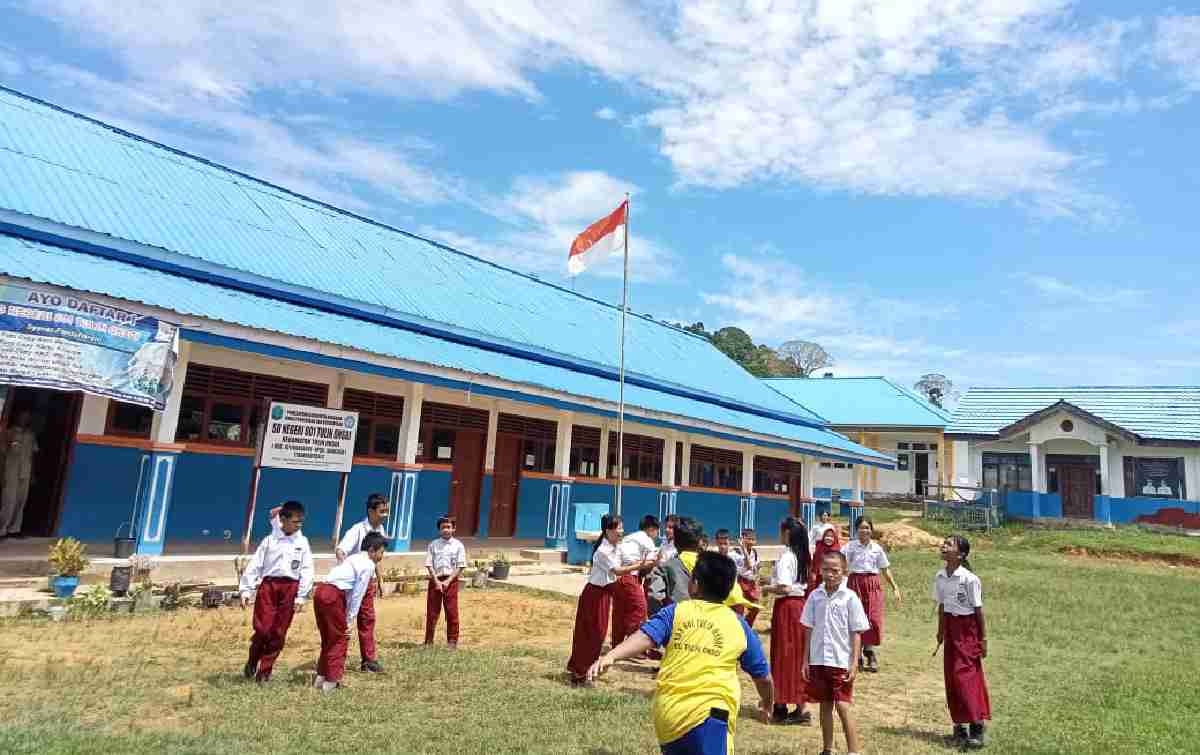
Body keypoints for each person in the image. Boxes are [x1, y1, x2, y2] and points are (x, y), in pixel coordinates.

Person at [588, 551, 775, 754]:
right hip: (712, 716)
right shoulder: (738, 625)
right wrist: (767, 704)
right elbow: (763, 676)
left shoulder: (676, 612)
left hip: (669, 717)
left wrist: (611, 656)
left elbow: (645, 637)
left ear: (694, 583)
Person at [802, 551, 870, 755]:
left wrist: (855, 662)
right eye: (826, 570)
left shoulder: (850, 598)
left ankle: (853, 751)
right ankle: (827, 748)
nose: (830, 574)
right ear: (820, 570)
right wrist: (805, 660)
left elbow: (857, 632)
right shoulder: (815, 596)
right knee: (824, 705)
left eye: (835, 570)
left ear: (844, 572)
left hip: (841, 661)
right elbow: (808, 628)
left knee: (842, 705)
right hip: (819, 659)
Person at [238, 500, 314, 682]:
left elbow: (307, 569)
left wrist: (301, 596)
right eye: (295, 521)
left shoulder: (302, 542)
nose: (298, 525)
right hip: (269, 587)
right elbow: (255, 565)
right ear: (283, 520)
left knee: (279, 633)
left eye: (300, 522)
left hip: (290, 589)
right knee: (263, 629)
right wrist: (245, 590)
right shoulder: (270, 541)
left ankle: (265, 672)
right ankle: (252, 660)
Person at [567, 514, 644, 685]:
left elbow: (626, 560)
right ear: (608, 530)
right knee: (591, 633)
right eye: (618, 528)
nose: (621, 531)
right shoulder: (603, 551)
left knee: (597, 633)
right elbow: (617, 570)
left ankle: (584, 669)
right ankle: (580, 671)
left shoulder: (616, 546)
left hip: (605, 594)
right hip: (595, 594)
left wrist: (644, 561)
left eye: (622, 527)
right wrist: (640, 565)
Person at [934, 535, 991, 749]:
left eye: (949, 544)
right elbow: (941, 606)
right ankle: (959, 726)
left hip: (967, 629)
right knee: (952, 676)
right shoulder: (940, 576)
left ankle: (977, 725)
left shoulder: (969, 579)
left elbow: (978, 610)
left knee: (966, 676)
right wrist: (940, 631)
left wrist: (983, 639)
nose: (943, 545)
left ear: (961, 554)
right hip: (950, 628)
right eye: (944, 542)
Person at [312, 532, 388, 693]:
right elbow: (357, 595)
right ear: (372, 550)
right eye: (381, 552)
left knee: (328, 638)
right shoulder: (368, 565)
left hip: (320, 592)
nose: (382, 556)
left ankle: (320, 678)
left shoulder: (353, 558)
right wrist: (350, 620)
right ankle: (331, 683)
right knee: (340, 638)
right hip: (333, 595)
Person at [335, 492, 389, 672]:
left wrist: (380, 581)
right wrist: (347, 571)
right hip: (352, 585)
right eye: (382, 511)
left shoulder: (381, 531)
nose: (385, 515)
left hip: (368, 583)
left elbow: (378, 559)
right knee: (346, 620)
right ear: (371, 511)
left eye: (386, 511)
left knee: (367, 619)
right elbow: (341, 550)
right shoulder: (357, 530)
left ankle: (368, 660)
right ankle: (337, 660)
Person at [765, 521, 812, 725]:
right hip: (799, 606)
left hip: (787, 607)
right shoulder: (802, 556)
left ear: (786, 533)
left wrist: (767, 588)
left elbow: (784, 587)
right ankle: (793, 703)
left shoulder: (786, 556)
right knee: (795, 654)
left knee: (784, 653)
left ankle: (786, 703)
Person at [841, 517, 901, 672]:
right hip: (855, 584)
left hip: (873, 585)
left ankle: (869, 651)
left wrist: (895, 587)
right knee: (856, 619)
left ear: (871, 530)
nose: (864, 531)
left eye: (867, 527)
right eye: (861, 527)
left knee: (873, 619)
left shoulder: (877, 548)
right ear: (856, 530)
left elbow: (885, 569)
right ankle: (858, 656)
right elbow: (840, 565)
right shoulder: (850, 547)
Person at [612, 514, 660, 647]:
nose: (657, 534)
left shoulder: (629, 537)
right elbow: (649, 562)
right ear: (651, 529)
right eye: (657, 531)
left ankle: (617, 643)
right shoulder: (647, 540)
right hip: (629, 576)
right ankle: (631, 644)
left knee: (620, 612)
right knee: (640, 609)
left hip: (617, 578)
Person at [424, 514, 468, 648]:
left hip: (451, 581)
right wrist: (436, 581)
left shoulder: (458, 545)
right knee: (432, 612)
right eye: (443, 527)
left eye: (448, 527)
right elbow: (429, 564)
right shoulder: (433, 545)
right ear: (439, 530)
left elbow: (460, 566)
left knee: (451, 612)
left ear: (453, 529)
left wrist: (448, 581)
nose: (446, 530)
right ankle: (428, 641)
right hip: (435, 580)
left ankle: (452, 642)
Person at [0, 410, 38, 539]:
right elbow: (3, 454)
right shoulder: (9, 432)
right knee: (8, 499)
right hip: (11, 470)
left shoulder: (31, 435)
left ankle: (14, 529)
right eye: (22, 416)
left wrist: (32, 474)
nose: (24, 419)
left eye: (27, 417)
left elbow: (32, 455)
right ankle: (2, 529)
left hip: (25, 470)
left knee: (21, 500)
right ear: (17, 417)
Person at [732, 529, 762, 627]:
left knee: (756, 607)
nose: (751, 542)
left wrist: (756, 579)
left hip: (751, 582)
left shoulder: (754, 552)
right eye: (749, 539)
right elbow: (748, 565)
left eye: (753, 539)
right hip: (740, 582)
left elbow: (755, 567)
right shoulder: (736, 552)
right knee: (739, 609)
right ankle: (738, 627)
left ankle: (747, 626)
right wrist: (743, 548)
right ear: (742, 539)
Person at [809, 527, 841, 592]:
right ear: (823, 537)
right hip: (819, 578)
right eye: (827, 536)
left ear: (835, 538)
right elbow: (814, 562)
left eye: (831, 536)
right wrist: (813, 573)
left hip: (832, 578)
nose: (829, 538)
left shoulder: (837, 550)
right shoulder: (819, 547)